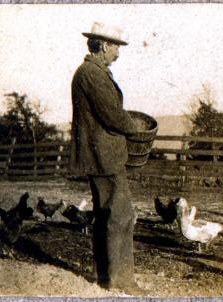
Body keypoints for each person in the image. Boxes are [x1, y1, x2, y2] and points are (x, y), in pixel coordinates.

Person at [69, 22, 144, 294]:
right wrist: (134, 127)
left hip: (103, 156)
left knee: (109, 215)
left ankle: (109, 278)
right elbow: (112, 114)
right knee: (120, 215)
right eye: (115, 47)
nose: (118, 54)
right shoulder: (92, 74)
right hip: (105, 157)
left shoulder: (91, 72)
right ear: (102, 46)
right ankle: (119, 281)